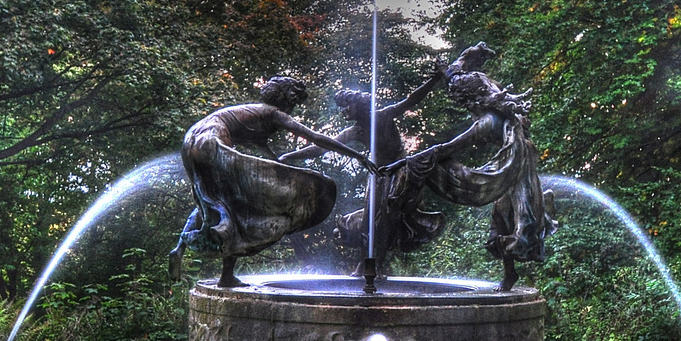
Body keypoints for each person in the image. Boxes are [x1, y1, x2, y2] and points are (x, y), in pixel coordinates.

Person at [169, 76, 375, 287]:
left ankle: (180, 249)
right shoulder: (274, 113)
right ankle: (226, 275)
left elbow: (271, 160)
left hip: (192, 139)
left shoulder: (254, 114)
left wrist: (286, 163)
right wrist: (358, 156)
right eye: (293, 102)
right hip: (212, 141)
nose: (292, 108)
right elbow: (317, 139)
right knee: (240, 206)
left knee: (211, 199)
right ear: (286, 98)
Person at [386, 43, 556, 290]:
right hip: (515, 164)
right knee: (501, 216)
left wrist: (415, 159)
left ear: (474, 99)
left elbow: (452, 146)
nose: (466, 108)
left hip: (515, 168)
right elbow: (459, 78)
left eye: (465, 103)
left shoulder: (487, 121)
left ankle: (408, 217)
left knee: (514, 219)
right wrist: (454, 66)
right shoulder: (497, 107)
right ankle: (510, 274)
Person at [278, 69, 445, 275]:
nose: (343, 111)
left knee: (386, 216)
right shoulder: (354, 131)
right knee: (370, 220)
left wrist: (434, 79)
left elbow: (411, 100)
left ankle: (375, 265)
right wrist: (289, 156)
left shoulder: (383, 116)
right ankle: (367, 265)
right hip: (377, 175)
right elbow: (321, 148)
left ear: (360, 105)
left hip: (401, 171)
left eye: (347, 105)